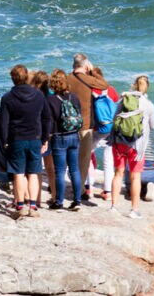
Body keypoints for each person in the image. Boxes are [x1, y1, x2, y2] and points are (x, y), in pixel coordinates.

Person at [0, 64, 51, 219]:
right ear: (27, 76)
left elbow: (3, 123)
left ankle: (20, 206)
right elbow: (46, 118)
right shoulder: (39, 95)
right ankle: (33, 207)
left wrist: (4, 141)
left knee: (18, 174)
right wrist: (45, 138)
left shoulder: (7, 97)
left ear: (12, 79)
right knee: (34, 172)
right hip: (35, 138)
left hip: (16, 139)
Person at [109, 75, 154, 218]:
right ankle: (134, 210)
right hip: (137, 146)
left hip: (119, 143)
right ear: (147, 87)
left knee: (118, 173)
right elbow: (153, 125)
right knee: (135, 177)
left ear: (134, 85)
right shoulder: (149, 105)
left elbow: (114, 118)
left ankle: (114, 206)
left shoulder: (124, 99)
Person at [67, 53, 110, 203]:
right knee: (84, 159)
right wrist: (93, 71)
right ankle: (78, 190)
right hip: (85, 125)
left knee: (69, 158)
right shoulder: (88, 78)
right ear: (85, 65)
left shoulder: (67, 79)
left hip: (67, 125)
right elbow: (104, 85)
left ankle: (70, 185)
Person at [45, 69, 82, 210]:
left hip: (59, 137)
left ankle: (59, 202)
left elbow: (49, 121)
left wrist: (46, 137)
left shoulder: (50, 100)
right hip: (74, 135)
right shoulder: (74, 97)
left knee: (60, 170)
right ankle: (77, 201)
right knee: (74, 169)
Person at [30, 70, 55, 206]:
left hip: (38, 134)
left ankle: (37, 199)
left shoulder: (35, 96)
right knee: (50, 167)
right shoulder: (51, 96)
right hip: (51, 134)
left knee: (37, 168)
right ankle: (55, 196)